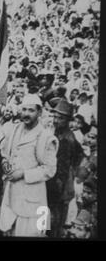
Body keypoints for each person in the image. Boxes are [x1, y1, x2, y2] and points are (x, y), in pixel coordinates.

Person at [0, 94, 58, 237]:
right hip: (12, 193)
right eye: (24, 109)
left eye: (31, 110)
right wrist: (5, 164)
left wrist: (24, 174)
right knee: (8, 230)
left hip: (33, 198)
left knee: (31, 233)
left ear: (39, 112)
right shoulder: (14, 129)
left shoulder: (46, 137)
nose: (26, 114)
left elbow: (50, 170)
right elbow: (5, 153)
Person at [47, 99, 84, 238]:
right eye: (55, 116)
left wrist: (58, 186)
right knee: (44, 220)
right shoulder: (57, 132)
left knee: (53, 222)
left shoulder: (67, 138)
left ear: (68, 120)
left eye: (60, 118)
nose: (56, 120)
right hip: (53, 183)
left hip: (58, 187)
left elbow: (63, 167)